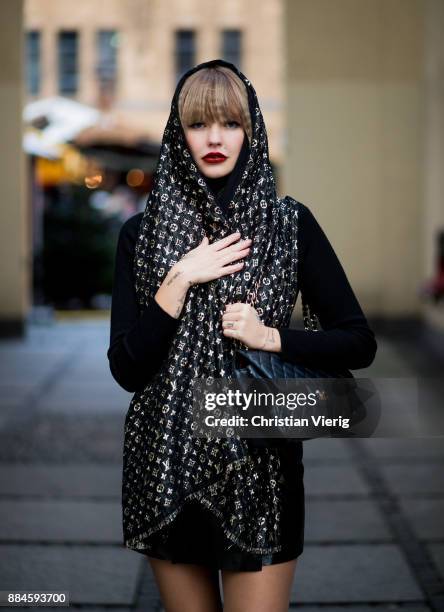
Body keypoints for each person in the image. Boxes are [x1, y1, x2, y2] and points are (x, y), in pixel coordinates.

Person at [107, 59, 377, 612]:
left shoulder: (288, 224)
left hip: (262, 469)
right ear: (176, 134)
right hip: (166, 466)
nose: (213, 138)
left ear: (250, 130)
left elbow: (358, 342)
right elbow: (127, 370)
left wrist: (271, 337)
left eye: (230, 123)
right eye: (198, 124)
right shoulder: (142, 234)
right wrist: (179, 278)